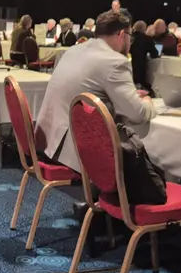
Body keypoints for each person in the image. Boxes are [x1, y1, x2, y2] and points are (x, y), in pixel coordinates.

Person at [35, 9, 155, 166]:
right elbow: (138, 114)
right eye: (130, 38)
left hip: (46, 143)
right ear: (122, 35)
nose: (130, 44)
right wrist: (147, 102)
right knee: (141, 164)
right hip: (77, 158)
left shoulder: (73, 50)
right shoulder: (116, 62)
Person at [129, 20, 159, 95]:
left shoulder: (128, 38)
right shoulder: (147, 39)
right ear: (144, 29)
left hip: (127, 69)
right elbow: (155, 54)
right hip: (140, 71)